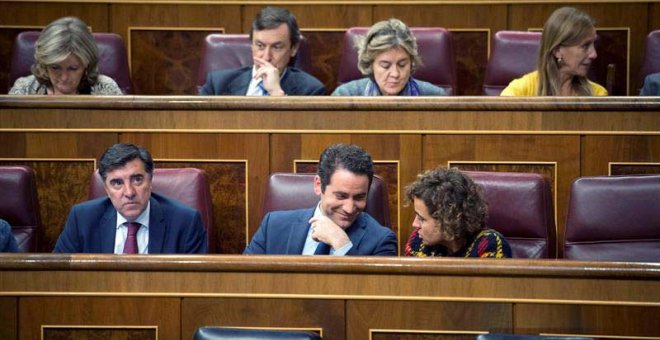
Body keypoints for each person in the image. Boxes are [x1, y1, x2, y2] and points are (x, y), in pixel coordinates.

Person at [244, 143, 397, 256]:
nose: (349, 208)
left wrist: (342, 245)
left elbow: (372, 295)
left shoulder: (381, 241)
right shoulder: (273, 226)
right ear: (318, 185)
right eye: (341, 196)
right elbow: (244, 282)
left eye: (359, 197)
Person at [54, 143, 207, 254]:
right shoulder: (82, 219)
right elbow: (58, 278)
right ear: (106, 189)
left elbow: (195, 286)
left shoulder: (185, 222)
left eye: (137, 179)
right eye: (117, 183)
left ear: (150, 181)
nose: (129, 192)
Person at [199, 6, 325, 96]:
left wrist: (276, 94)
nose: (266, 57)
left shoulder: (310, 91)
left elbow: (299, 133)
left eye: (277, 47)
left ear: (293, 49)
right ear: (251, 45)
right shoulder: (217, 84)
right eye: (260, 45)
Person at [404, 167, 512, 258]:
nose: (415, 224)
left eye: (422, 219)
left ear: (448, 219)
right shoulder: (417, 241)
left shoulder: (488, 244)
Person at [500, 7, 607, 96]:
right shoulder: (519, 92)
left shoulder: (597, 94)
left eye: (593, 44)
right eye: (585, 46)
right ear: (557, 50)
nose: (594, 54)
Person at [9, 16, 123, 95]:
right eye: (55, 67)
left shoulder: (106, 89)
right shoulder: (24, 89)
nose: (64, 77)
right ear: (44, 64)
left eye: (73, 68)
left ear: (86, 64)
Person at [332, 18, 446, 96]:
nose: (395, 74)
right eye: (385, 66)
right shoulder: (345, 95)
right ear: (371, 64)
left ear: (411, 63)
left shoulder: (436, 97)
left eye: (402, 65)